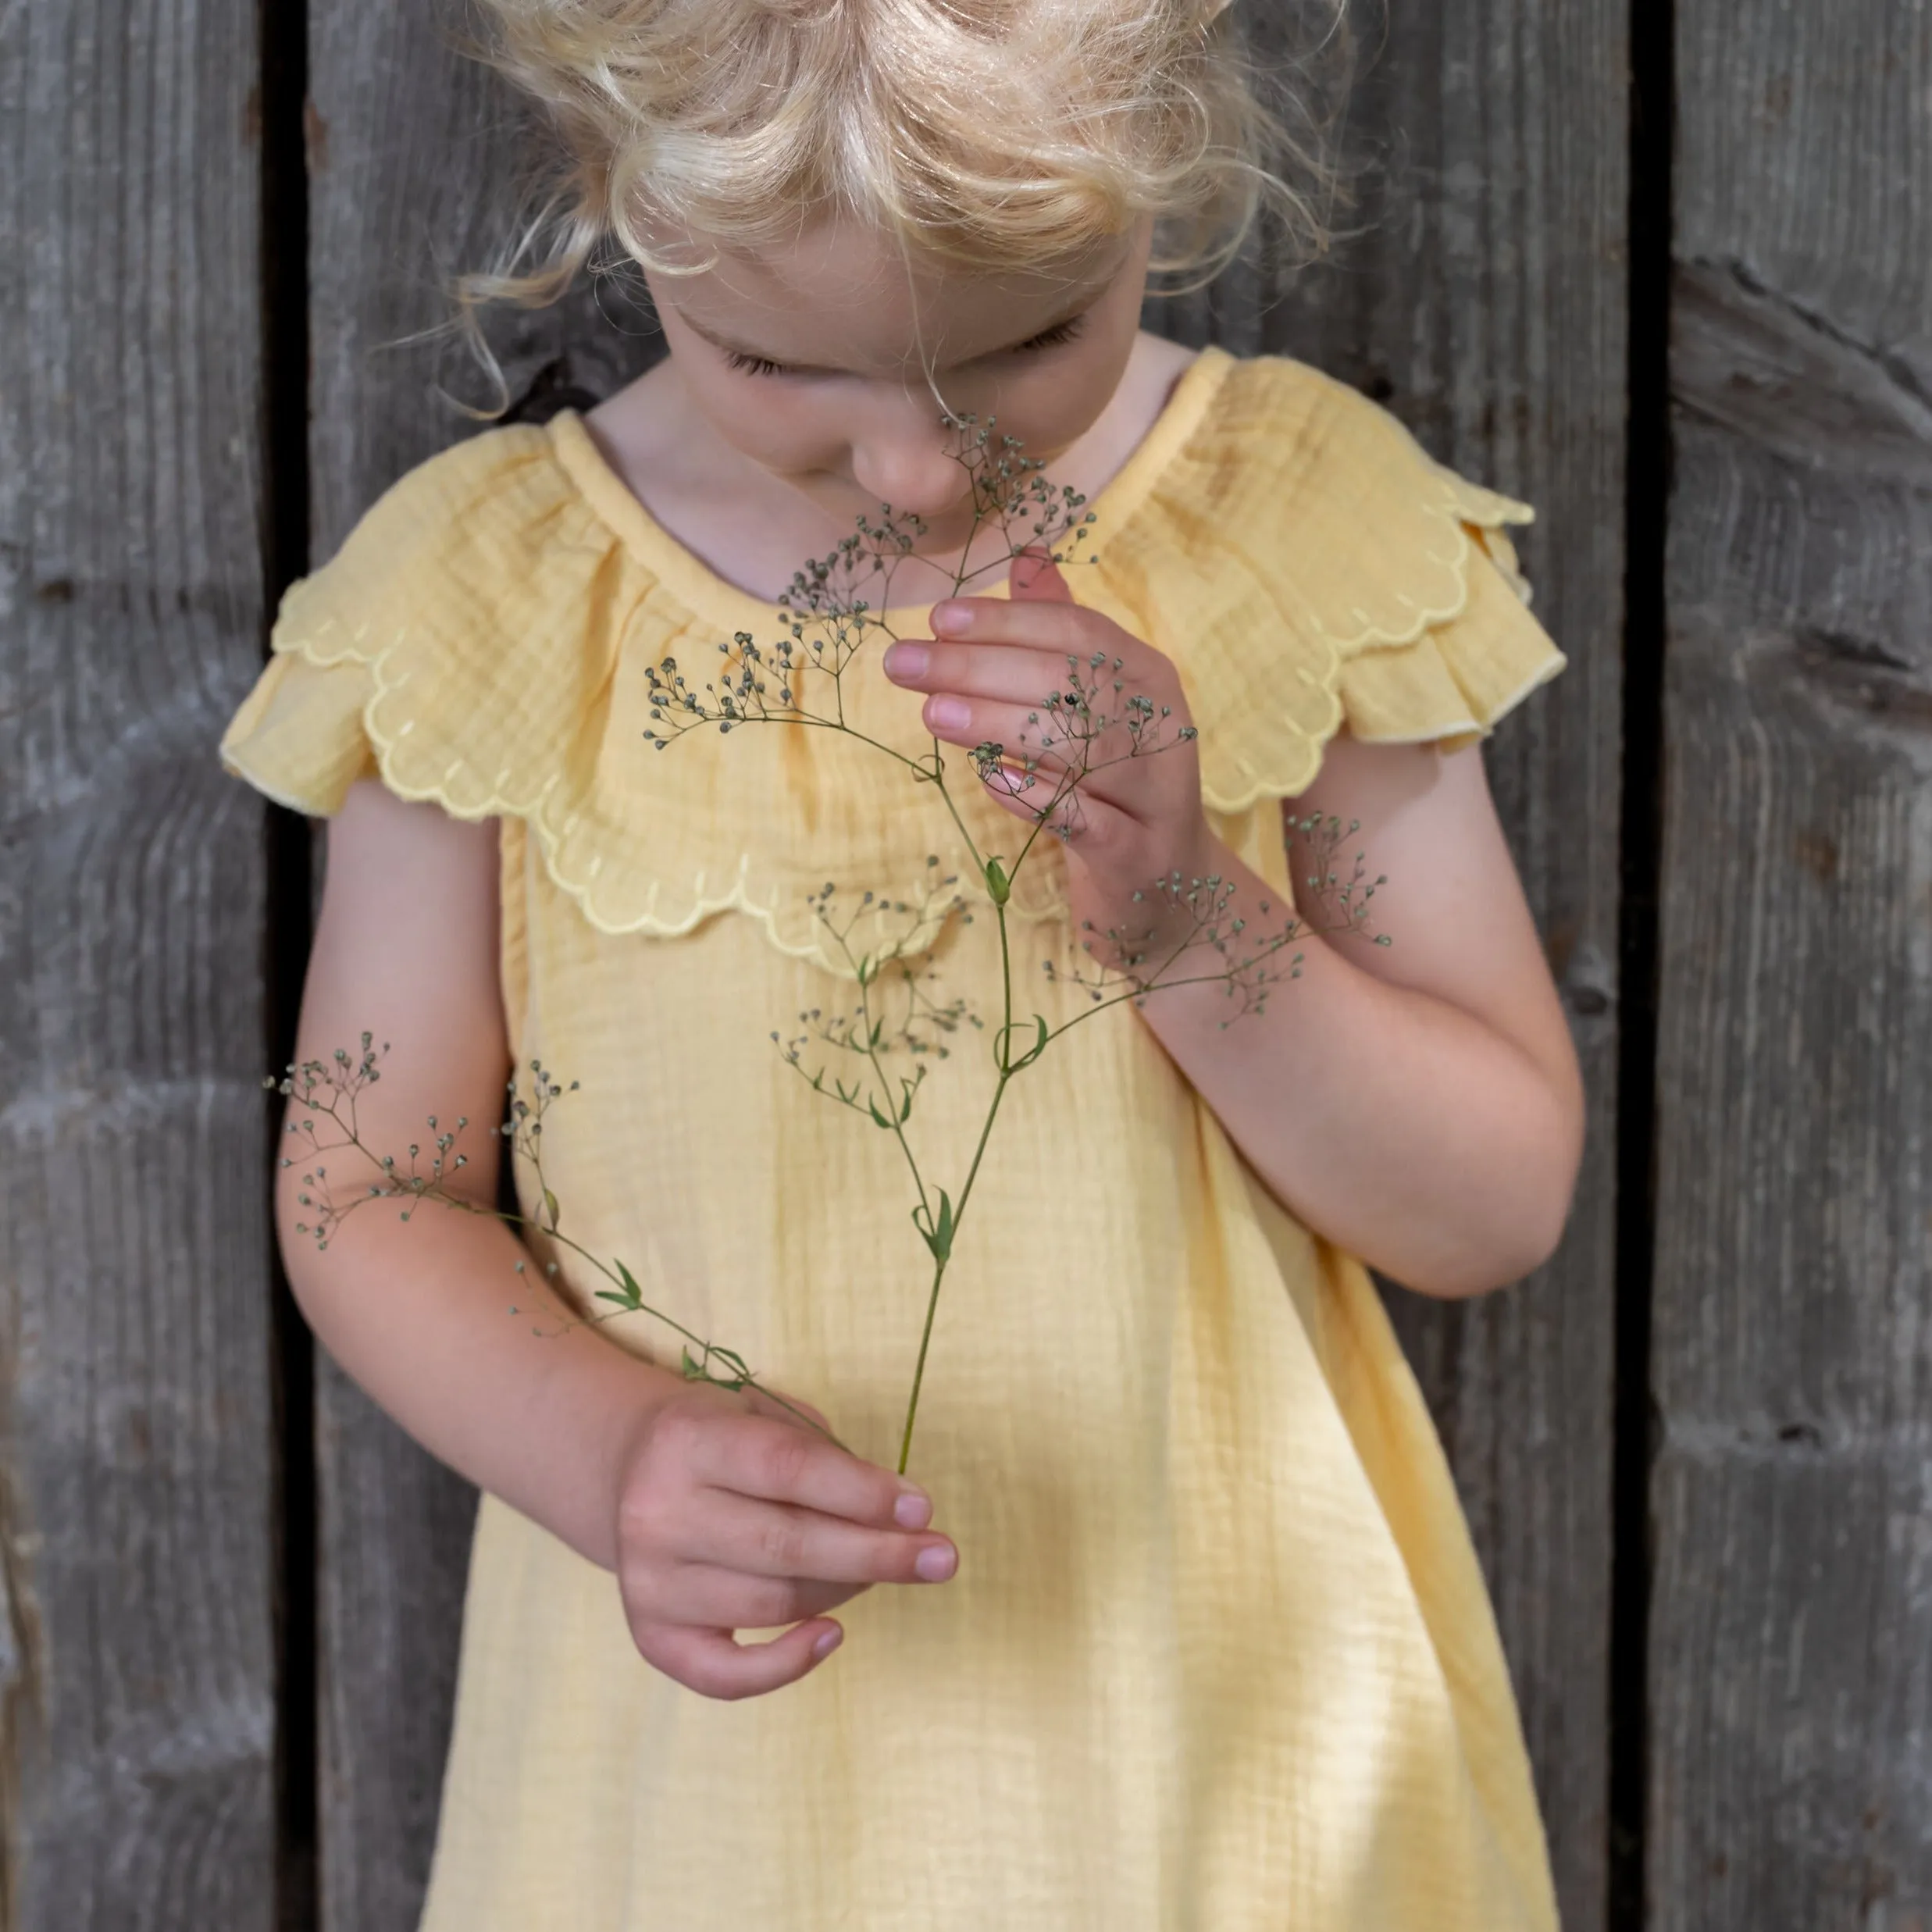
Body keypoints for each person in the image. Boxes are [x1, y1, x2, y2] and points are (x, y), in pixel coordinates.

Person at [219, 0, 1586, 1924]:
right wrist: (610, 1454)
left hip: (1227, 1805)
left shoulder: (1290, 536)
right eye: (783, 360)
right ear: (619, 190)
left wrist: (1191, 908)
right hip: (711, 1819)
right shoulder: (491, 611)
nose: (919, 474)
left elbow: (1493, 1195)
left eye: (1030, 339)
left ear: (1159, 172)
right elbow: (369, 1187)